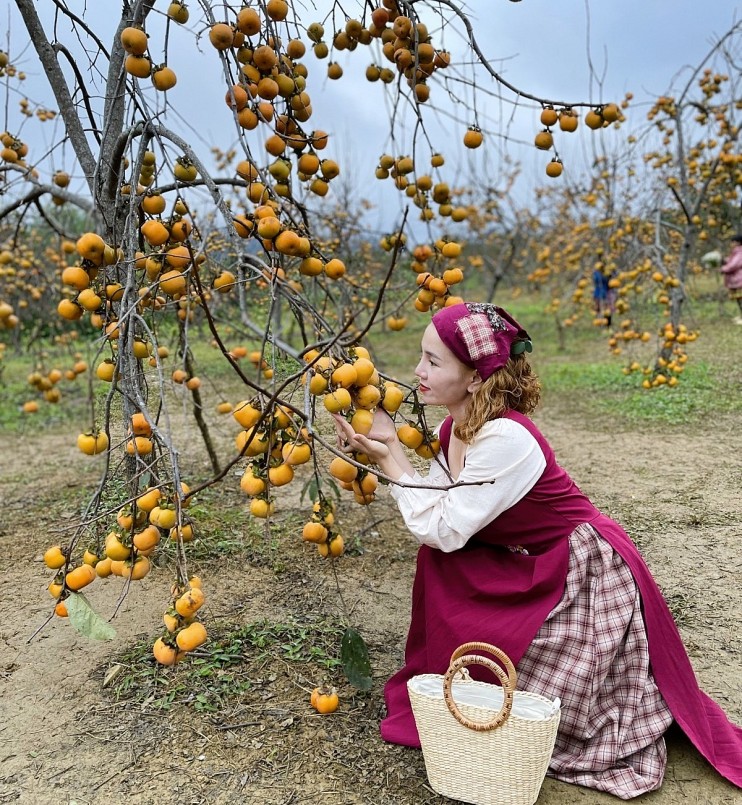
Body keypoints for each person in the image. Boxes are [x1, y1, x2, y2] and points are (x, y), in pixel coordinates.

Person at [333, 301, 742, 800]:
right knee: (444, 566)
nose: (417, 371)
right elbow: (441, 508)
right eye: (422, 356)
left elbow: (443, 528)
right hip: (527, 557)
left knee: (555, 707)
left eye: (433, 361)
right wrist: (389, 445)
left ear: (475, 378)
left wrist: (392, 458)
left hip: (580, 570)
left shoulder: (505, 438)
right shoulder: (453, 429)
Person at [720, 233, 742, 324]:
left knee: (740, 299)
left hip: (739, 279)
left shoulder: (740, 252)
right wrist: (724, 260)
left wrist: (723, 269)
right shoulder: (736, 252)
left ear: (738, 243)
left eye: (733, 242)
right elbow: (731, 261)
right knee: (738, 299)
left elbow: (734, 265)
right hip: (737, 280)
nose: (731, 244)